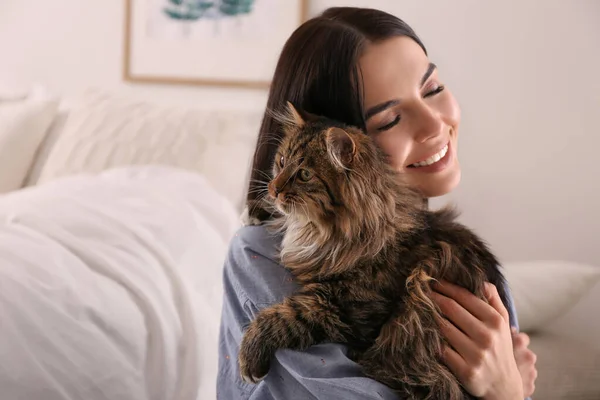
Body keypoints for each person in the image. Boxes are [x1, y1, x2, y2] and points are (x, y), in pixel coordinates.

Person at [217, 7, 537, 400]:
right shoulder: (260, 252)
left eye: (432, 88)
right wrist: (508, 393)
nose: (435, 124)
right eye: (389, 120)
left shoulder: (472, 265)